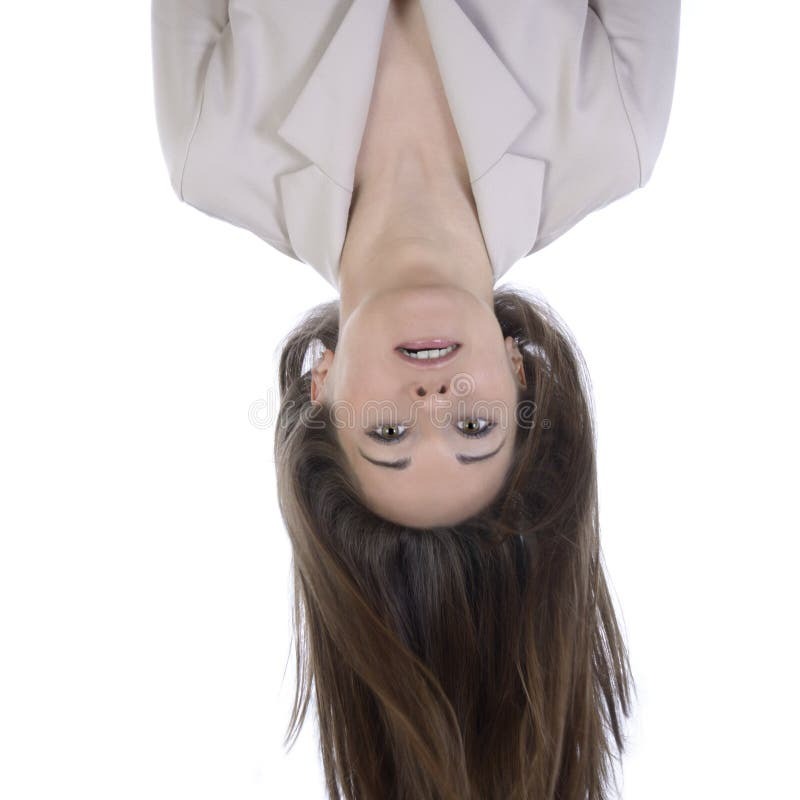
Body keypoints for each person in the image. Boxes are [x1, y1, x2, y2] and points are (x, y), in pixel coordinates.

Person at [152, 1, 680, 797]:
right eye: (473, 425)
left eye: (390, 433)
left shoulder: (209, 147)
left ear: (321, 392)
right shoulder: (617, 125)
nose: (432, 398)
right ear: (520, 375)